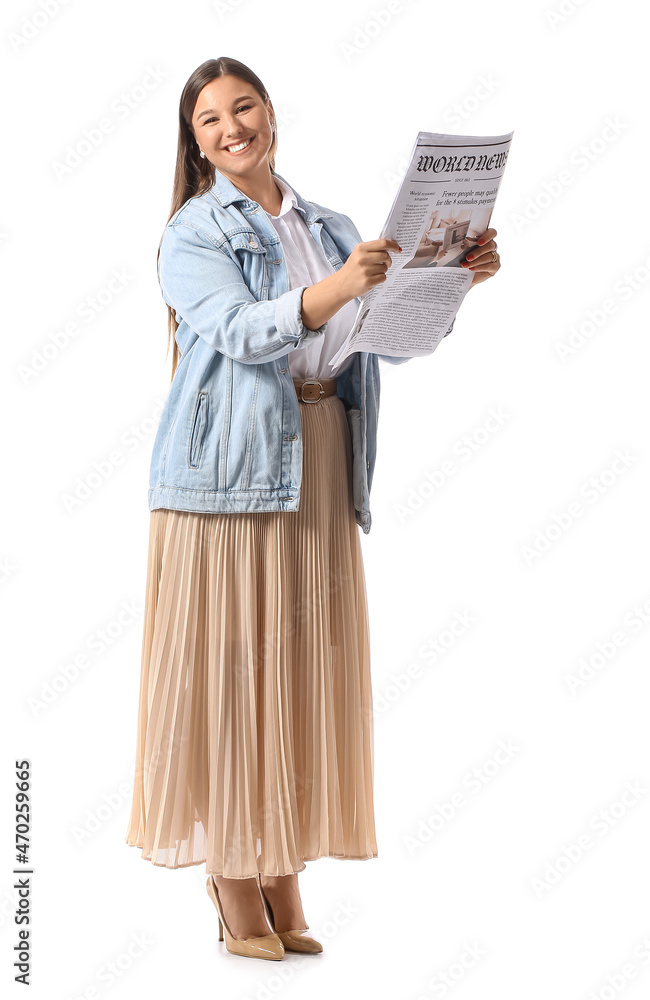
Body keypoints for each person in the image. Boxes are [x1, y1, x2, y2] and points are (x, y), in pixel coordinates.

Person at [124, 56, 501, 963]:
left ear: (270, 111)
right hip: (229, 478)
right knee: (235, 669)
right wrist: (341, 288)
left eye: (242, 107)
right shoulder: (192, 232)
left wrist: (452, 282)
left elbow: (377, 341)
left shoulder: (325, 223)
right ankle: (229, 873)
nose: (229, 128)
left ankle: (277, 859)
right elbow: (243, 329)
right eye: (209, 120)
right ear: (195, 141)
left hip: (321, 459)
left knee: (295, 669)